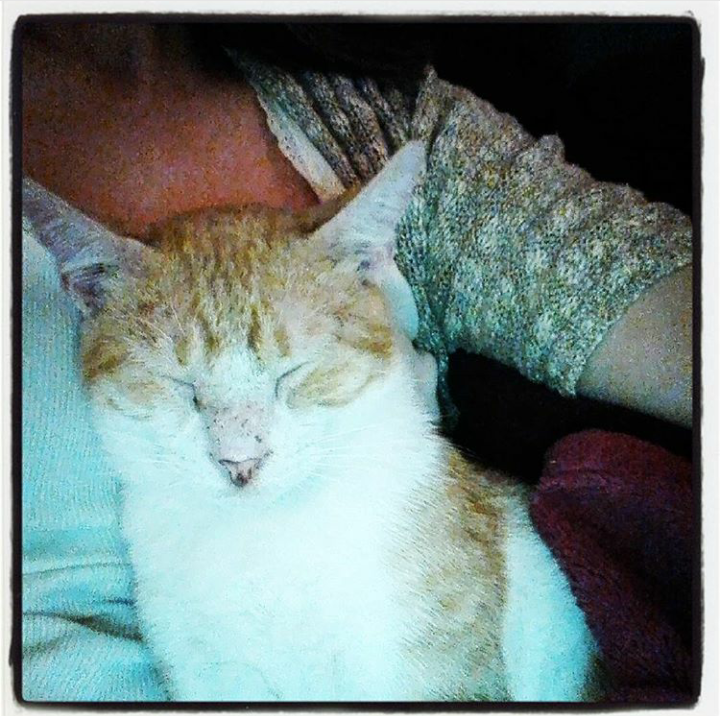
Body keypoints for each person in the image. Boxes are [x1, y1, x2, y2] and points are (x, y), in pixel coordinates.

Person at [19, 22, 693, 701]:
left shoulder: (372, 107)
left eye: (292, 376)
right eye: (185, 392)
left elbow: (616, 268)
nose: (237, 456)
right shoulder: (162, 520)